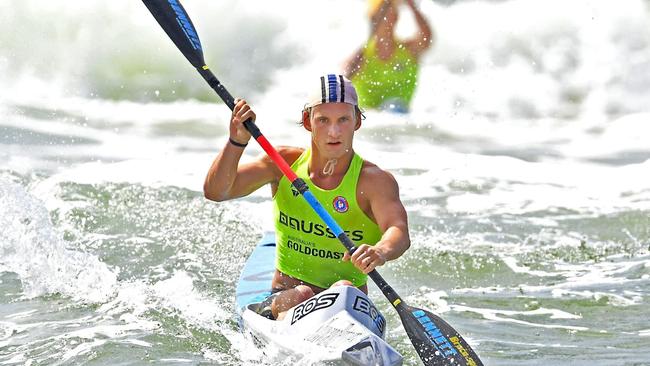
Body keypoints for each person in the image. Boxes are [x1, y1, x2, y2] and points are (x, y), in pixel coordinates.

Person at [203, 74, 410, 320]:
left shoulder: (374, 181)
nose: (334, 131)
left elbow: (398, 230)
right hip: (285, 295)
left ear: (357, 122)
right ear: (307, 121)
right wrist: (236, 142)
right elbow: (216, 191)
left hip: (347, 309)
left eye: (343, 119)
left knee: (344, 289)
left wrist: (380, 251)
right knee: (300, 294)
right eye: (323, 120)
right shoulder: (283, 164)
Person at [344, 0, 433, 113]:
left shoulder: (409, 50)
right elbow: (343, 80)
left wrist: (412, 5)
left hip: (399, 117)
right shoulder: (360, 56)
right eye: (384, 11)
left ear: (396, 17)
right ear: (374, 18)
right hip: (367, 118)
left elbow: (427, 38)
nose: (389, 15)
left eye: (391, 11)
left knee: (394, 107)